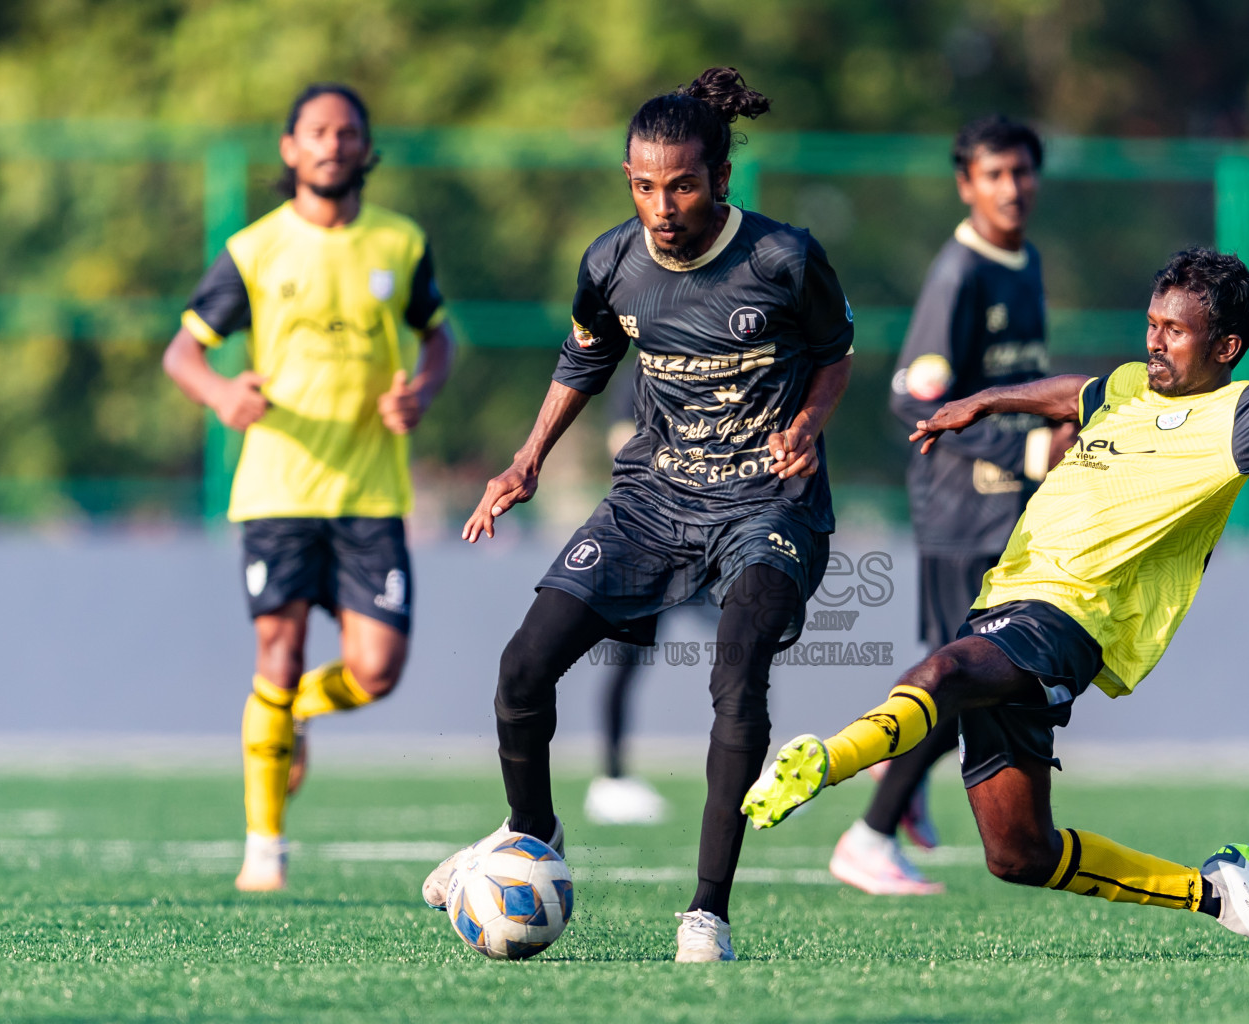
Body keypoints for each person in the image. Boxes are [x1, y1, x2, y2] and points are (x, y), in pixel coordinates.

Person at [744, 249, 1249, 956]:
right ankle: (1215, 892)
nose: (1155, 343)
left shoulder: (1240, 417)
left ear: (1226, 346)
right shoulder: (1130, 388)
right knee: (1019, 854)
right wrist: (981, 400)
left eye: (1175, 332)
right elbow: (1072, 392)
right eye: (1152, 324)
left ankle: (825, 763)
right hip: (1008, 599)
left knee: (943, 673)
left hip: (1074, 618)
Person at [421, 68, 854, 962]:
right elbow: (585, 358)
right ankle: (533, 835)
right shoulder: (611, 261)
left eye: (683, 184)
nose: (664, 204)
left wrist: (808, 423)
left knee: (734, 681)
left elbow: (834, 352)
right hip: (652, 500)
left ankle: (707, 912)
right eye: (645, 185)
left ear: (721, 180)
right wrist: (527, 458)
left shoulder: (784, 259)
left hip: (766, 506)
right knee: (521, 670)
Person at [162, 83, 454, 892]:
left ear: (366, 149)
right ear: (290, 148)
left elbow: (440, 340)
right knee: (277, 651)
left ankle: (291, 718)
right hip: (277, 490)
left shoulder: (399, 242)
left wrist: (421, 393)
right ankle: (265, 849)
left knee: (377, 670)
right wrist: (222, 394)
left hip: (369, 493)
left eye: (347, 132)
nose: (332, 144)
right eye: (317, 132)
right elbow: (183, 354)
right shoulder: (254, 249)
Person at [830, 114, 1076, 897]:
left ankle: (897, 800)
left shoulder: (1024, 260)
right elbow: (913, 403)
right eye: (994, 174)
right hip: (961, 511)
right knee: (962, 675)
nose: (1012, 187)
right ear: (966, 184)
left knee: (971, 674)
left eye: (1022, 172)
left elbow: (1012, 386)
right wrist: (1028, 450)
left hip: (1010, 510)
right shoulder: (959, 275)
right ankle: (871, 833)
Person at [584, 369, 721, 826]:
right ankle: (612, 778)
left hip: (714, 534)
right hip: (652, 534)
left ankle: (751, 769)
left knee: (747, 641)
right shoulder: (644, 372)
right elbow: (623, 442)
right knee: (625, 656)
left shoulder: (724, 369)